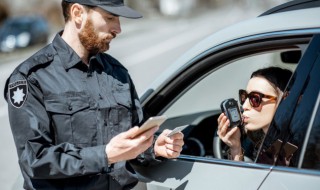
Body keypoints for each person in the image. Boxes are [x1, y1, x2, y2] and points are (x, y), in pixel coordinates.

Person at [3, 0, 184, 189]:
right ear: (78, 13)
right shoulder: (31, 77)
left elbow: (132, 137)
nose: (118, 28)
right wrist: (105, 155)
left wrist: (153, 147)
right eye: (110, 17)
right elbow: (35, 159)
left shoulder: (117, 72)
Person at [217, 67, 292, 161]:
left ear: (284, 100)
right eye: (244, 96)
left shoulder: (293, 148)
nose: (244, 106)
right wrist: (235, 148)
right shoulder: (260, 143)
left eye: (255, 99)